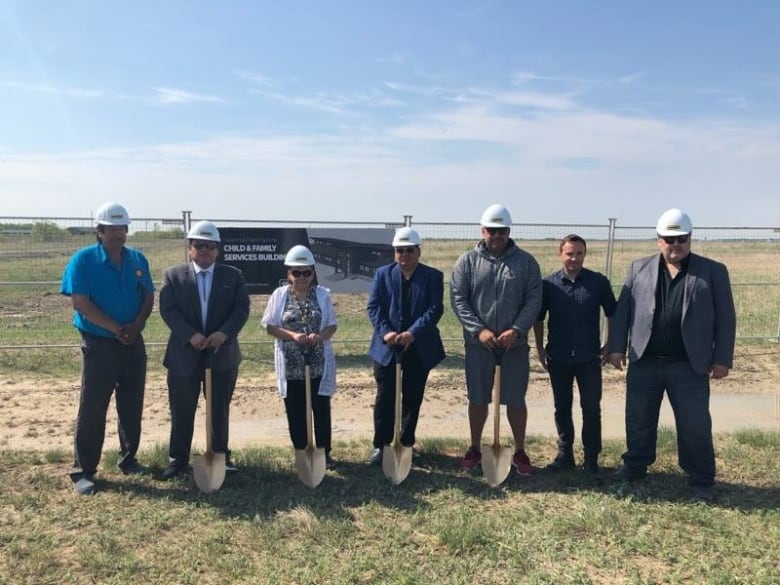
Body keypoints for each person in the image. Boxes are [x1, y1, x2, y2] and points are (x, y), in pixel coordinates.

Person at [606, 208, 736, 501]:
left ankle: (701, 477)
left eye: (681, 239)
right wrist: (616, 346)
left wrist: (722, 358)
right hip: (646, 361)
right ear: (658, 240)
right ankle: (636, 465)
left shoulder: (713, 271)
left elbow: (726, 318)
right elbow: (622, 310)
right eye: (669, 239)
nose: (675, 245)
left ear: (690, 239)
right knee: (638, 418)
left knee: (695, 424)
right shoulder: (638, 268)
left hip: (689, 365)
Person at [60, 201, 155, 495]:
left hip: (132, 341)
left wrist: (136, 326)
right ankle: (83, 470)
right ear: (99, 231)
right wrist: (116, 328)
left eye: (122, 228)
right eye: (111, 228)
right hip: (100, 343)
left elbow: (148, 296)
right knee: (93, 407)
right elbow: (81, 303)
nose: (117, 233)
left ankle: (128, 459)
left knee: (131, 403)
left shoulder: (138, 259)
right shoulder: (83, 260)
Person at [450, 203, 542, 476]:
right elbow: (458, 299)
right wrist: (479, 330)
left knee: (515, 399)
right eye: (492, 231)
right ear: (483, 230)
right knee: (478, 398)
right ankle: (475, 447)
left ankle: (520, 450)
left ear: (508, 231)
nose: (497, 236)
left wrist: (517, 329)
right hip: (480, 346)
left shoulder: (526, 262)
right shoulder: (466, 262)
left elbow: (534, 299)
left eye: (502, 231)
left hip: (514, 346)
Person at [158, 221, 250, 479]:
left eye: (210, 246)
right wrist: (191, 335)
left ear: (217, 250)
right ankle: (178, 460)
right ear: (190, 248)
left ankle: (220, 456)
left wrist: (223, 334)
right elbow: (168, 310)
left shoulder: (233, 276)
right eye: (199, 245)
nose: (205, 251)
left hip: (222, 356)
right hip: (184, 357)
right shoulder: (173, 276)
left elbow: (241, 309)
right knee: (182, 409)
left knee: (219, 409)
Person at [532, 234, 616, 478]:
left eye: (579, 253)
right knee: (562, 406)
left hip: (589, 358)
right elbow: (538, 319)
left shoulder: (598, 282)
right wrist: (539, 349)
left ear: (584, 255)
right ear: (561, 255)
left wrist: (610, 343)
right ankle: (565, 454)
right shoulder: (548, 285)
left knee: (591, 408)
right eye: (569, 253)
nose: (574, 258)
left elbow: (613, 313)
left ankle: (591, 459)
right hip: (557, 357)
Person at [366, 227, 446, 465]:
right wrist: (386, 332)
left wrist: (413, 333)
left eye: (409, 250)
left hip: (418, 348)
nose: (404, 255)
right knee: (385, 398)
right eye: (400, 250)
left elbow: (435, 309)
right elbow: (374, 307)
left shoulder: (432, 276)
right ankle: (381, 446)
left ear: (418, 251)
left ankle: (407, 443)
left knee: (412, 398)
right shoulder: (382, 274)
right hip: (387, 350)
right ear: (394, 252)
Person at [262, 245, 338, 468]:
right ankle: (301, 451)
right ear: (289, 274)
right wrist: (293, 335)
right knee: (295, 409)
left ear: (312, 274)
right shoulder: (280, 295)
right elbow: (270, 326)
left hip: (318, 364)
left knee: (320, 408)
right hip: (291, 365)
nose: (302, 277)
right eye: (297, 273)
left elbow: (332, 326)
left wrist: (319, 336)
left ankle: (324, 452)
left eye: (306, 272)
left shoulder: (322, 295)